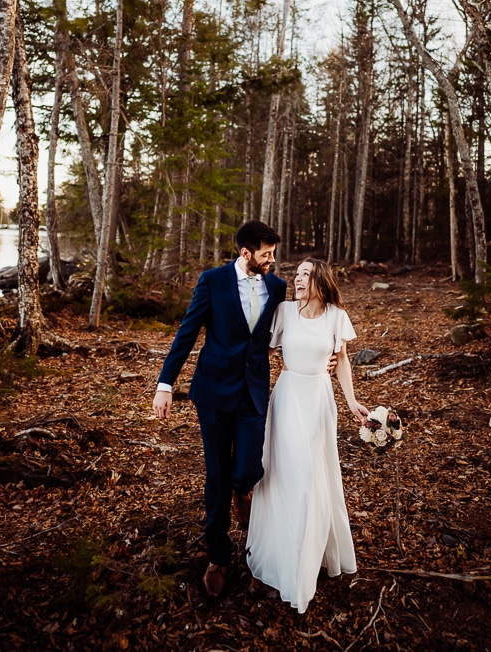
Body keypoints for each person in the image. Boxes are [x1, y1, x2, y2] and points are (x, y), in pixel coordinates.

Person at [152, 220, 287, 599]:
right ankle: (218, 556)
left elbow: (287, 331)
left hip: (253, 393)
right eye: (266, 254)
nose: (272, 260)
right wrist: (166, 385)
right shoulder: (212, 281)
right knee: (216, 474)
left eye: (272, 253)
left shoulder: (276, 287)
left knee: (247, 468)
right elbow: (187, 332)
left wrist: (327, 356)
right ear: (246, 253)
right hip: (212, 392)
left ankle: (241, 491)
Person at [246, 257, 369, 614]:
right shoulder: (283, 312)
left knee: (312, 479)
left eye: (305, 274)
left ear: (320, 280)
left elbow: (341, 359)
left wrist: (352, 401)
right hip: (286, 399)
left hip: (318, 400)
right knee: (287, 476)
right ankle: (287, 556)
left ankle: (306, 561)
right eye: (296, 274)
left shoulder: (335, 316)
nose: (297, 279)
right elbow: (261, 349)